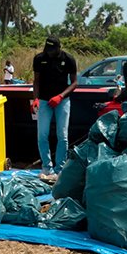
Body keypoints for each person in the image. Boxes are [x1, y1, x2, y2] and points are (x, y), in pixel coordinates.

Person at [32, 36, 77, 182]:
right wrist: (36, 98)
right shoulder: (39, 58)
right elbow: (36, 81)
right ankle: (47, 167)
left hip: (62, 101)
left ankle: (60, 169)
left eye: (52, 50)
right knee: (42, 135)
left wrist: (61, 96)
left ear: (59, 48)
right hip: (44, 101)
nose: (50, 52)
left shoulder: (68, 59)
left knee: (62, 135)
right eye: (48, 49)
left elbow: (74, 83)